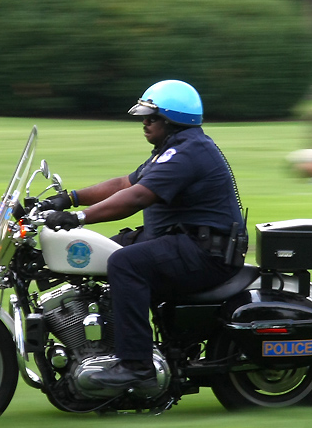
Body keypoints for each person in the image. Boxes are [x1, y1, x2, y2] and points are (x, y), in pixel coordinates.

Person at [40, 80, 247, 392]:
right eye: (145, 117)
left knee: (125, 264)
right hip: (184, 242)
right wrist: (69, 198)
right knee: (103, 251)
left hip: (206, 252)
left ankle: (136, 365)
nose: (144, 123)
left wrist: (77, 218)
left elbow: (136, 198)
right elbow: (125, 183)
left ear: (172, 120)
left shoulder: (188, 153)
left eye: (151, 117)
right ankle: (99, 348)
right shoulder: (171, 150)